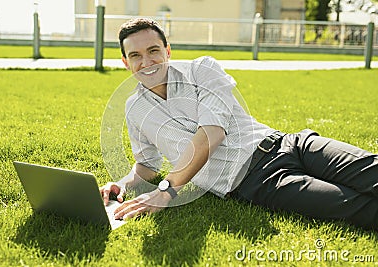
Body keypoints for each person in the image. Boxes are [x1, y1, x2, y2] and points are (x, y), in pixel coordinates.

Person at [99, 18, 378, 230]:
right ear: (125, 62)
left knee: (371, 171)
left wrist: (167, 191)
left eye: (153, 50)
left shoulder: (202, 69)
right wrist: (122, 184)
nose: (146, 61)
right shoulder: (134, 109)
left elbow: (212, 131)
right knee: (359, 207)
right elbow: (147, 165)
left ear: (168, 51)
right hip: (258, 182)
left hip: (290, 143)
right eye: (135, 56)